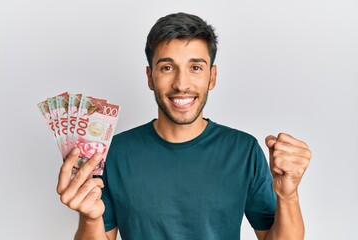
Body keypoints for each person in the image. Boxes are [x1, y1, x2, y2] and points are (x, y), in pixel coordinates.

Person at [57, 12, 312, 240]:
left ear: (211, 77)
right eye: (167, 67)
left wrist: (288, 196)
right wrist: (90, 219)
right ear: (150, 77)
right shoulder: (113, 152)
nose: (181, 83)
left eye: (195, 67)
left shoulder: (244, 150)